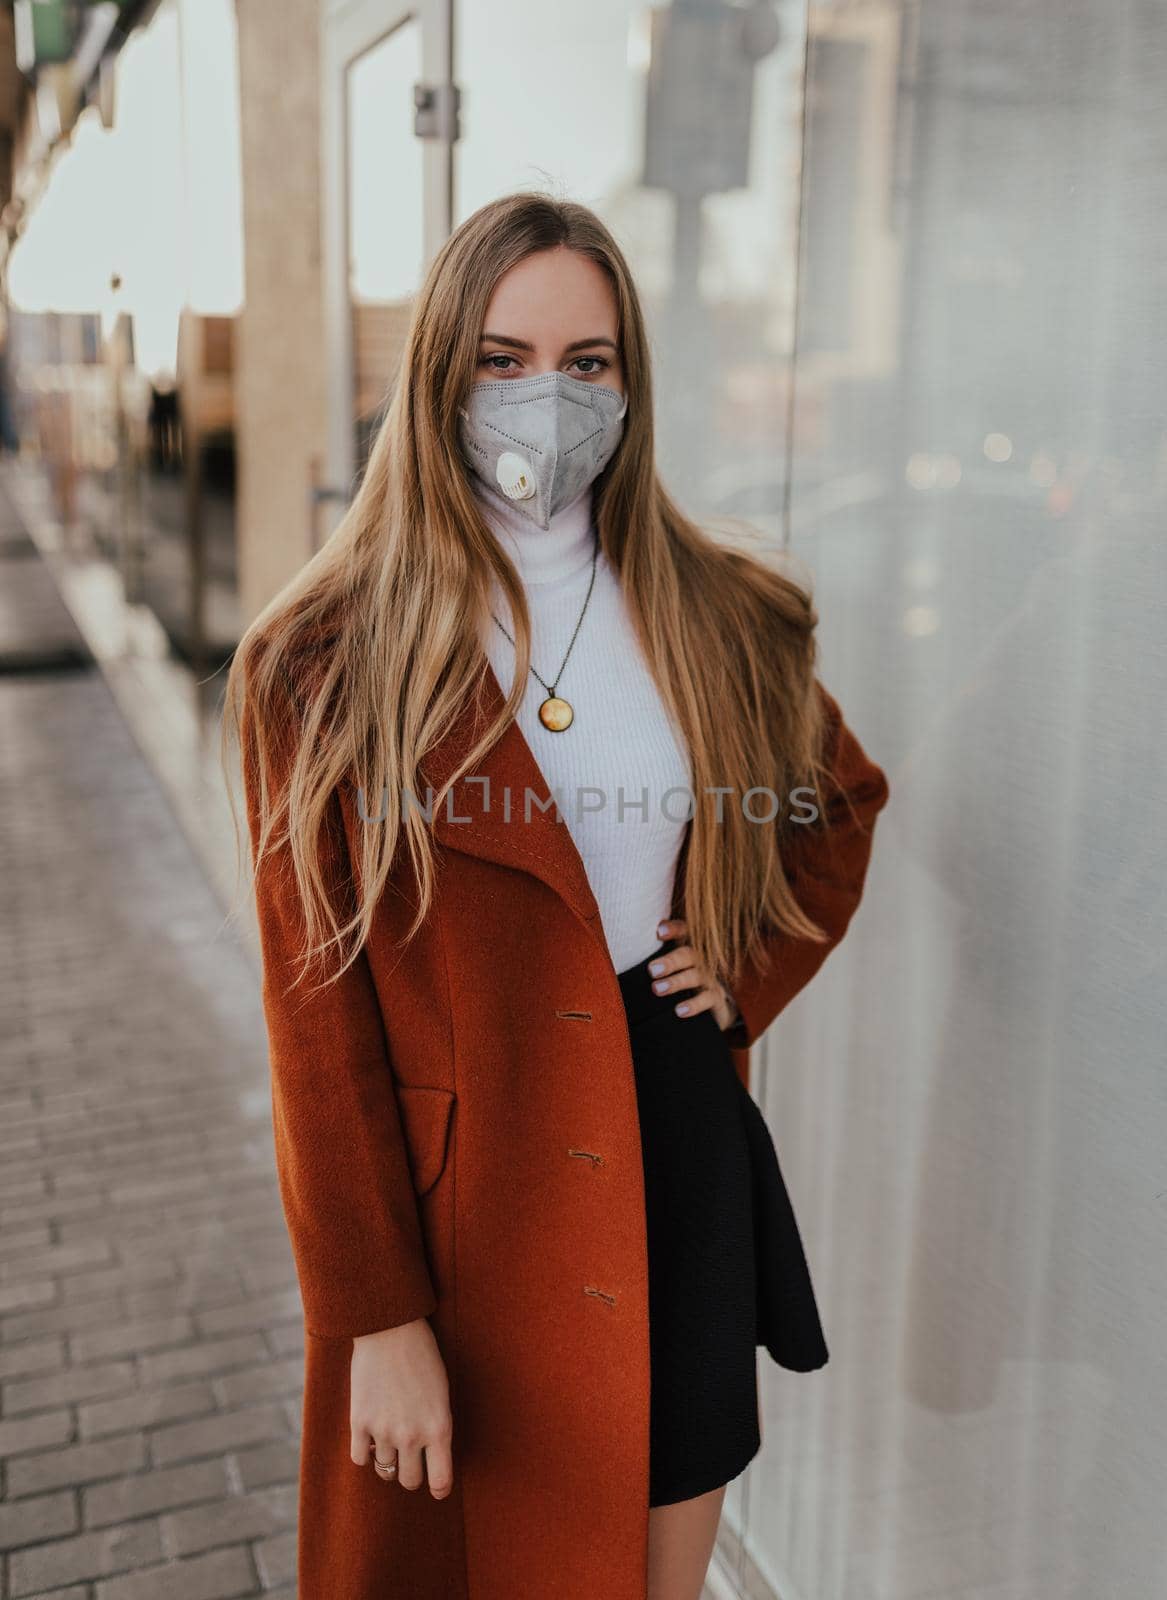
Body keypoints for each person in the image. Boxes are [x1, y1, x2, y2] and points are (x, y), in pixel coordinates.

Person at [222, 192, 890, 1600]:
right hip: (465, 1211)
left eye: (587, 362)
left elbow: (836, 802)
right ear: (438, 376)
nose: (546, 395)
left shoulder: (717, 612)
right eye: (502, 357)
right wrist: (375, 1322)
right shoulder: (317, 664)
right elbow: (314, 1029)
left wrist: (747, 962)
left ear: (630, 385)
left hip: (679, 1155)